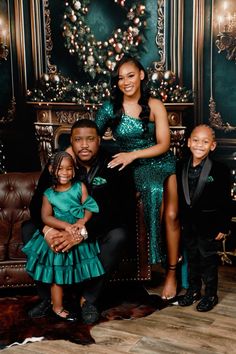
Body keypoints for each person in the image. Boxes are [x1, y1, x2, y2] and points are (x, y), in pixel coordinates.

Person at [22, 119, 136, 324]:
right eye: (78, 140)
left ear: (99, 141)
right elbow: (36, 205)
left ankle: (88, 299)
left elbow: (121, 211)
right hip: (60, 226)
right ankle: (49, 298)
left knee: (119, 234)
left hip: (95, 229)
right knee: (29, 228)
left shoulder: (115, 165)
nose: (84, 145)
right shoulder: (59, 164)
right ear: (71, 142)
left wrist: (81, 233)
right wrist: (49, 231)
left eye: (90, 139)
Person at [95, 54, 180, 300]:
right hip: (132, 168)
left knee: (172, 214)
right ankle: (145, 262)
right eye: (120, 78)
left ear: (141, 75)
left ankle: (171, 273)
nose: (126, 82)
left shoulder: (155, 105)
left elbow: (164, 144)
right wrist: (64, 156)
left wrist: (132, 155)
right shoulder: (110, 108)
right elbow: (88, 135)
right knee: (141, 194)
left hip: (160, 162)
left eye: (130, 75)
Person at [22, 151, 104, 321]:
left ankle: (82, 301)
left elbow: (89, 206)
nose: (65, 173)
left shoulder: (79, 187)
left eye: (69, 169)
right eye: (60, 169)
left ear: (74, 170)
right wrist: (66, 226)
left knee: (80, 269)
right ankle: (57, 306)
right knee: (56, 272)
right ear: (52, 170)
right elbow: (46, 217)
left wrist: (82, 222)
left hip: (76, 232)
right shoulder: (48, 194)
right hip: (59, 232)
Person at [177, 124, 232, 311]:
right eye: (196, 140)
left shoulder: (220, 170)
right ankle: (193, 290)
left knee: (208, 260)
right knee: (192, 258)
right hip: (188, 224)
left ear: (213, 146)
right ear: (189, 142)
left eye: (205, 141)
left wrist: (223, 227)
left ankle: (211, 294)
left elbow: (226, 201)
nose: (200, 145)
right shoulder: (180, 167)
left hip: (209, 225)